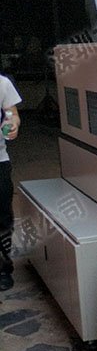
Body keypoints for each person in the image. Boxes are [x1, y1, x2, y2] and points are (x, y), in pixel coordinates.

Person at [0, 74, 22, 291]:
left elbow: (11, 113)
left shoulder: (2, 84)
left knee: (2, 218)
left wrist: (12, 123)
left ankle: (3, 268)